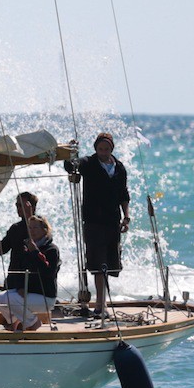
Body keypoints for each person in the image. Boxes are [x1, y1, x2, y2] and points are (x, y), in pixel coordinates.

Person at [67, 131, 131, 315]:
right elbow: (70, 166)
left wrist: (126, 217)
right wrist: (72, 152)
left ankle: (103, 304)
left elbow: (124, 195)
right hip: (93, 221)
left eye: (107, 149)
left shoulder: (119, 167)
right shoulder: (89, 163)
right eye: (100, 148)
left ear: (112, 148)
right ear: (96, 148)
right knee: (97, 265)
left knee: (110, 264)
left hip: (112, 221)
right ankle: (100, 306)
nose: (103, 152)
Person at [0, 213, 61, 331]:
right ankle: (15, 322)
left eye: (35, 228)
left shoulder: (52, 250)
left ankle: (33, 322)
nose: (32, 231)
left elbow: (47, 272)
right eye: (30, 228)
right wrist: (20, 287)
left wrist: (35, 252)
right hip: (29, 294)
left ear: (45, 230)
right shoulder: (26, 249)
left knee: (11, 299)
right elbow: (21, 271)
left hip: (45, 297)